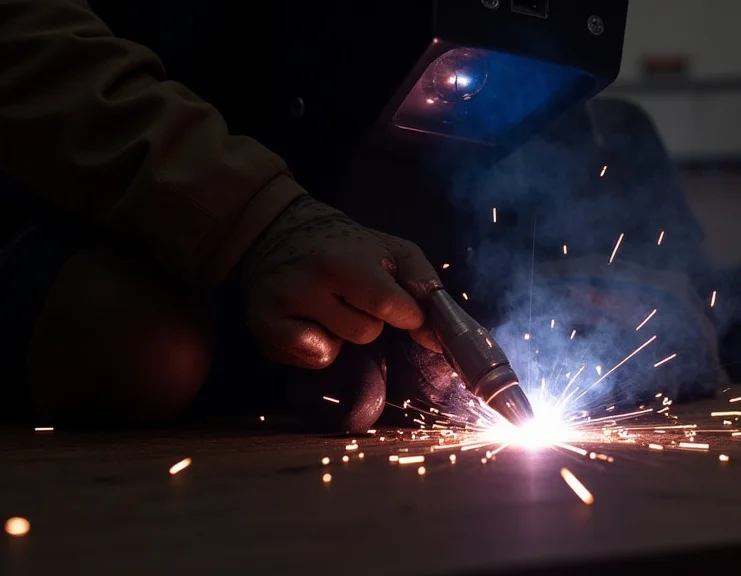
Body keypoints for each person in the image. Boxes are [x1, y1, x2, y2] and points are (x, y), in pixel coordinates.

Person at [0, 0, 443, 429]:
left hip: (295, 235)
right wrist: (263, 220)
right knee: (140, 340)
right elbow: (25, 43)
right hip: (68, 199)